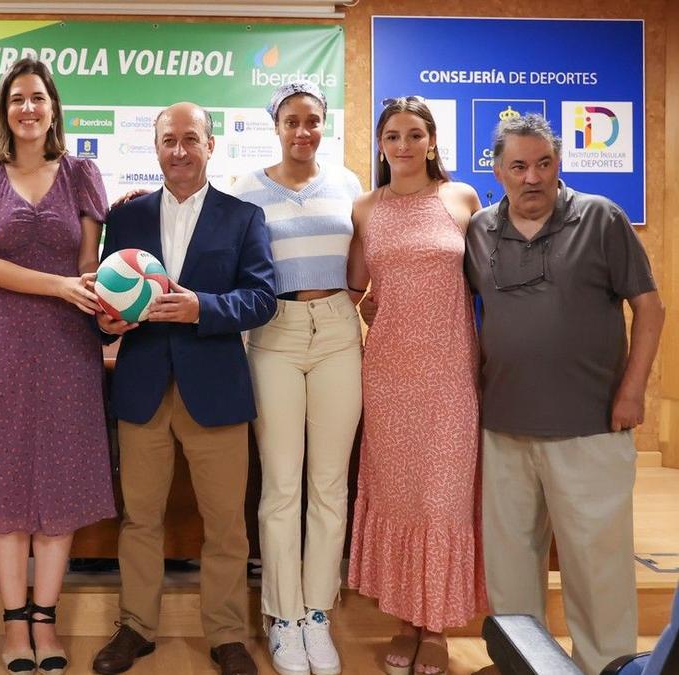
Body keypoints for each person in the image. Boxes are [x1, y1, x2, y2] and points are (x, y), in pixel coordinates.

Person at [464, 114, 664, 675]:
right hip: (503, 426)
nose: (533, 177)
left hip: (592, 426)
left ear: (560, 165)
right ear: (498, 171)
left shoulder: (601, 217)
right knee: (510, 566)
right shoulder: (479, 229)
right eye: (519, 166)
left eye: (544, 163)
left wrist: (633, 392)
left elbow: (649, 308)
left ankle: (607, 666)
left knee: (597, 568)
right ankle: (522, 664)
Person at [91, 102, 277, 675]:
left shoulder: (243, 217)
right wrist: (107, 320)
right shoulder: (124, 218)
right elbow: (107, 295)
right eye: (169, 140)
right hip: (143, 386)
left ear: (210, 145)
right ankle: (137, 628)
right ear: (155, 147)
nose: (179, 150)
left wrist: (202, 307)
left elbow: (262, 298)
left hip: (215, 390)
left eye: (190, 139)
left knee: (226, 524)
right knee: (140, 518)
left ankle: (225, 635)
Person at [0, 57, 115, 674]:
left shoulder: (81, 174)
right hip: (2, 345)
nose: (27, 108)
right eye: (17, 98)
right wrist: (60, 285)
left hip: (68, 344)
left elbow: (89, 266)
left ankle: (46, 622)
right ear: (5, 109)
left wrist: (101, 290)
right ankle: (13, 624)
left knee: (61, 479)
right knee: (5, 478)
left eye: (37, 98)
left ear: (53, 107)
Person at [344, 96, 484, 675]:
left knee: (443, 499)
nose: (403, 145)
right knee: (399, 498)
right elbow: (355, 284)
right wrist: (377, 307)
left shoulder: (462, 199)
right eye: (393, 135)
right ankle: (405, 621)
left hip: (452, 374)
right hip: (390, 375)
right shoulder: (364, 208)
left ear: (431, 141)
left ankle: (437, 628)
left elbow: (487, 279)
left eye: (414, 134)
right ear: (380, 144)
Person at [228, 80, 361, 675]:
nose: (302, 131)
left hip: (338, 330)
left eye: (312, 121)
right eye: (291, 121)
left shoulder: (350, 184)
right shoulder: (247, 190)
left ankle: (317, 614)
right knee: (282, 485)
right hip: (274, 332)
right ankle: (282, 616)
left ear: (323, 124)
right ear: (274, 126)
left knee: (330, 486)